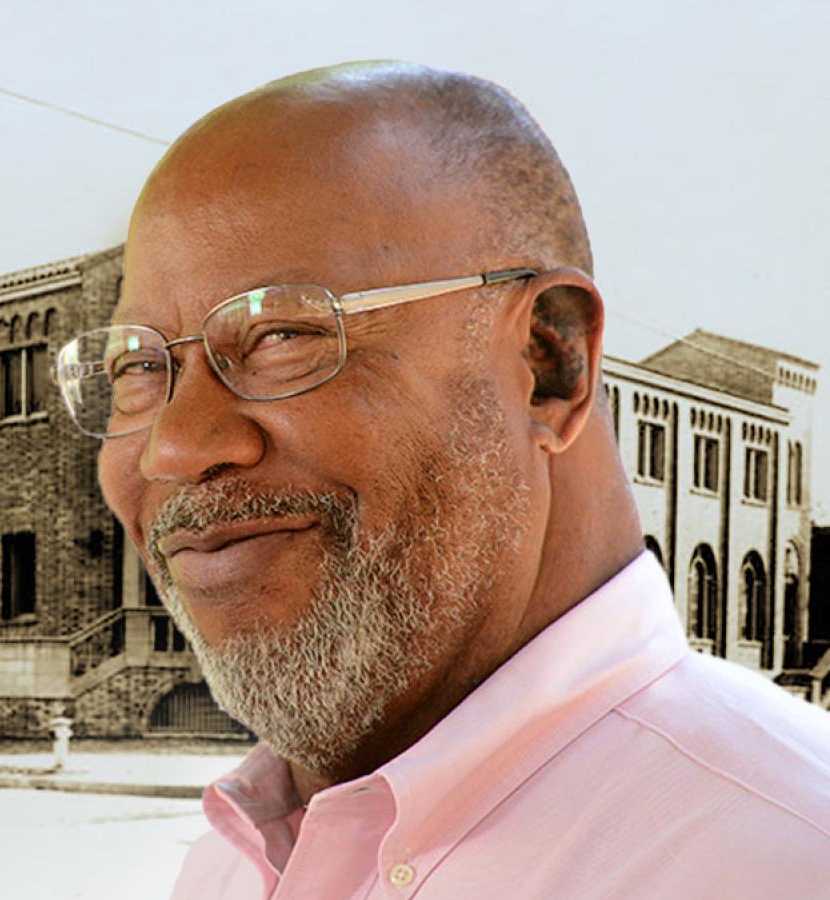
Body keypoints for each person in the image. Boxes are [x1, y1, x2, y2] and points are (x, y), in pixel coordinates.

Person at [52, 62, 830, 898]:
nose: (172, 447)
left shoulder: (785, 853)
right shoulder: (235, 856)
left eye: (283, 334)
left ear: (548, 364)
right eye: (136, 366)